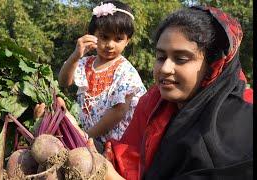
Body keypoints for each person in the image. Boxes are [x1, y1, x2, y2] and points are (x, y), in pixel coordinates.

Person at [97, 6, 253, 180]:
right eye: (161, 57)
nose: (165, 69)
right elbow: (127, 157)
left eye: (181, 59)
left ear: (213, 66)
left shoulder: (242, 124)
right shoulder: (153, 103)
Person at [56, 0, 147, 145]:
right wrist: (75, 55)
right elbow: (64, 82)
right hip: (86, 139)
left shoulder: (126, 71)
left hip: (113, 144)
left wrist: (85, 137)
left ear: (127, 41)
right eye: (104, 37)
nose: (110, 45)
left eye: (118, 39)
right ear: (92, 36)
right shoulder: (85, 63)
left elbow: (119, 112)